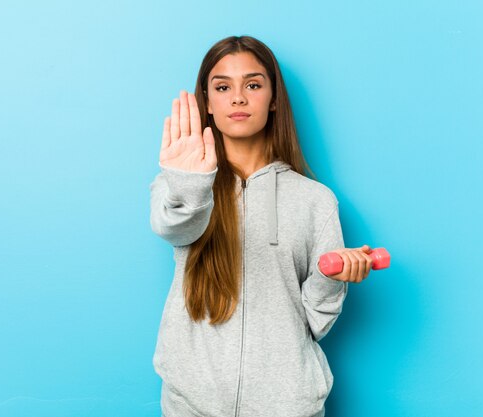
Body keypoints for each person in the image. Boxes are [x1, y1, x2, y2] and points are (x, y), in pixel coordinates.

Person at [150, 35, 373, 417]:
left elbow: (317, 324)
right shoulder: (177, 185)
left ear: (273, 99)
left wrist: (328, 276)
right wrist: (190, 184)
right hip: (192, 406)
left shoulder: (315, 200)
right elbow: (175, 229)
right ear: (207, 102)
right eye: (222, 87)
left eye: (253, 84)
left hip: (288, 407)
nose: (238, 98)